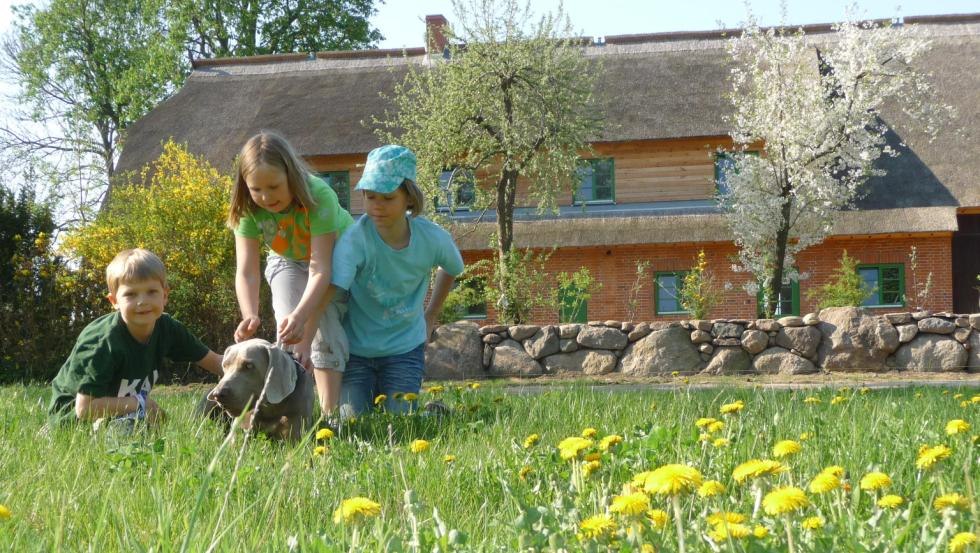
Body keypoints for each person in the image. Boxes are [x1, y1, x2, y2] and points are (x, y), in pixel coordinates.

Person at [325, 145, 464, 418]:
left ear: (409, 199)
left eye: (388, 198)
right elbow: (332, 290)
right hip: (356, 351)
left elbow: (452, 268)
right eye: (370, 196)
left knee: (399, 421)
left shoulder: (432, 238)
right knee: (354, 423)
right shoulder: (354, 240)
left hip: (404, 349)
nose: (377, 206)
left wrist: (431, 315)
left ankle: (434, 414)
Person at [227, 130, 354, 418]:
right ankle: (287, 413)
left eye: (274, 186)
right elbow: (246, 271)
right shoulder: (248, 208)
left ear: (291, 175)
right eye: (256, 189)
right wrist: (250, 313)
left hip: (334, 260)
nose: (265, 197)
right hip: (286, 258)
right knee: (288, 330)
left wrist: (303, 318)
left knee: (326, 328)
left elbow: (320, 267)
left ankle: (329, 416)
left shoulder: (318, 196)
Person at [47, 248, 224, 428]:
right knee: (130, 430)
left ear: (165, 295)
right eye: (131, 294)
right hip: (75, 422)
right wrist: (141, 403)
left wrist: (248, 371)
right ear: (114, 301)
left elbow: (216, 362)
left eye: (151, 292)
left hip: (124, 412)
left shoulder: (167, 328)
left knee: (218, 398)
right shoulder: (103, 341)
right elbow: (84, 409)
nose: (142, 301)